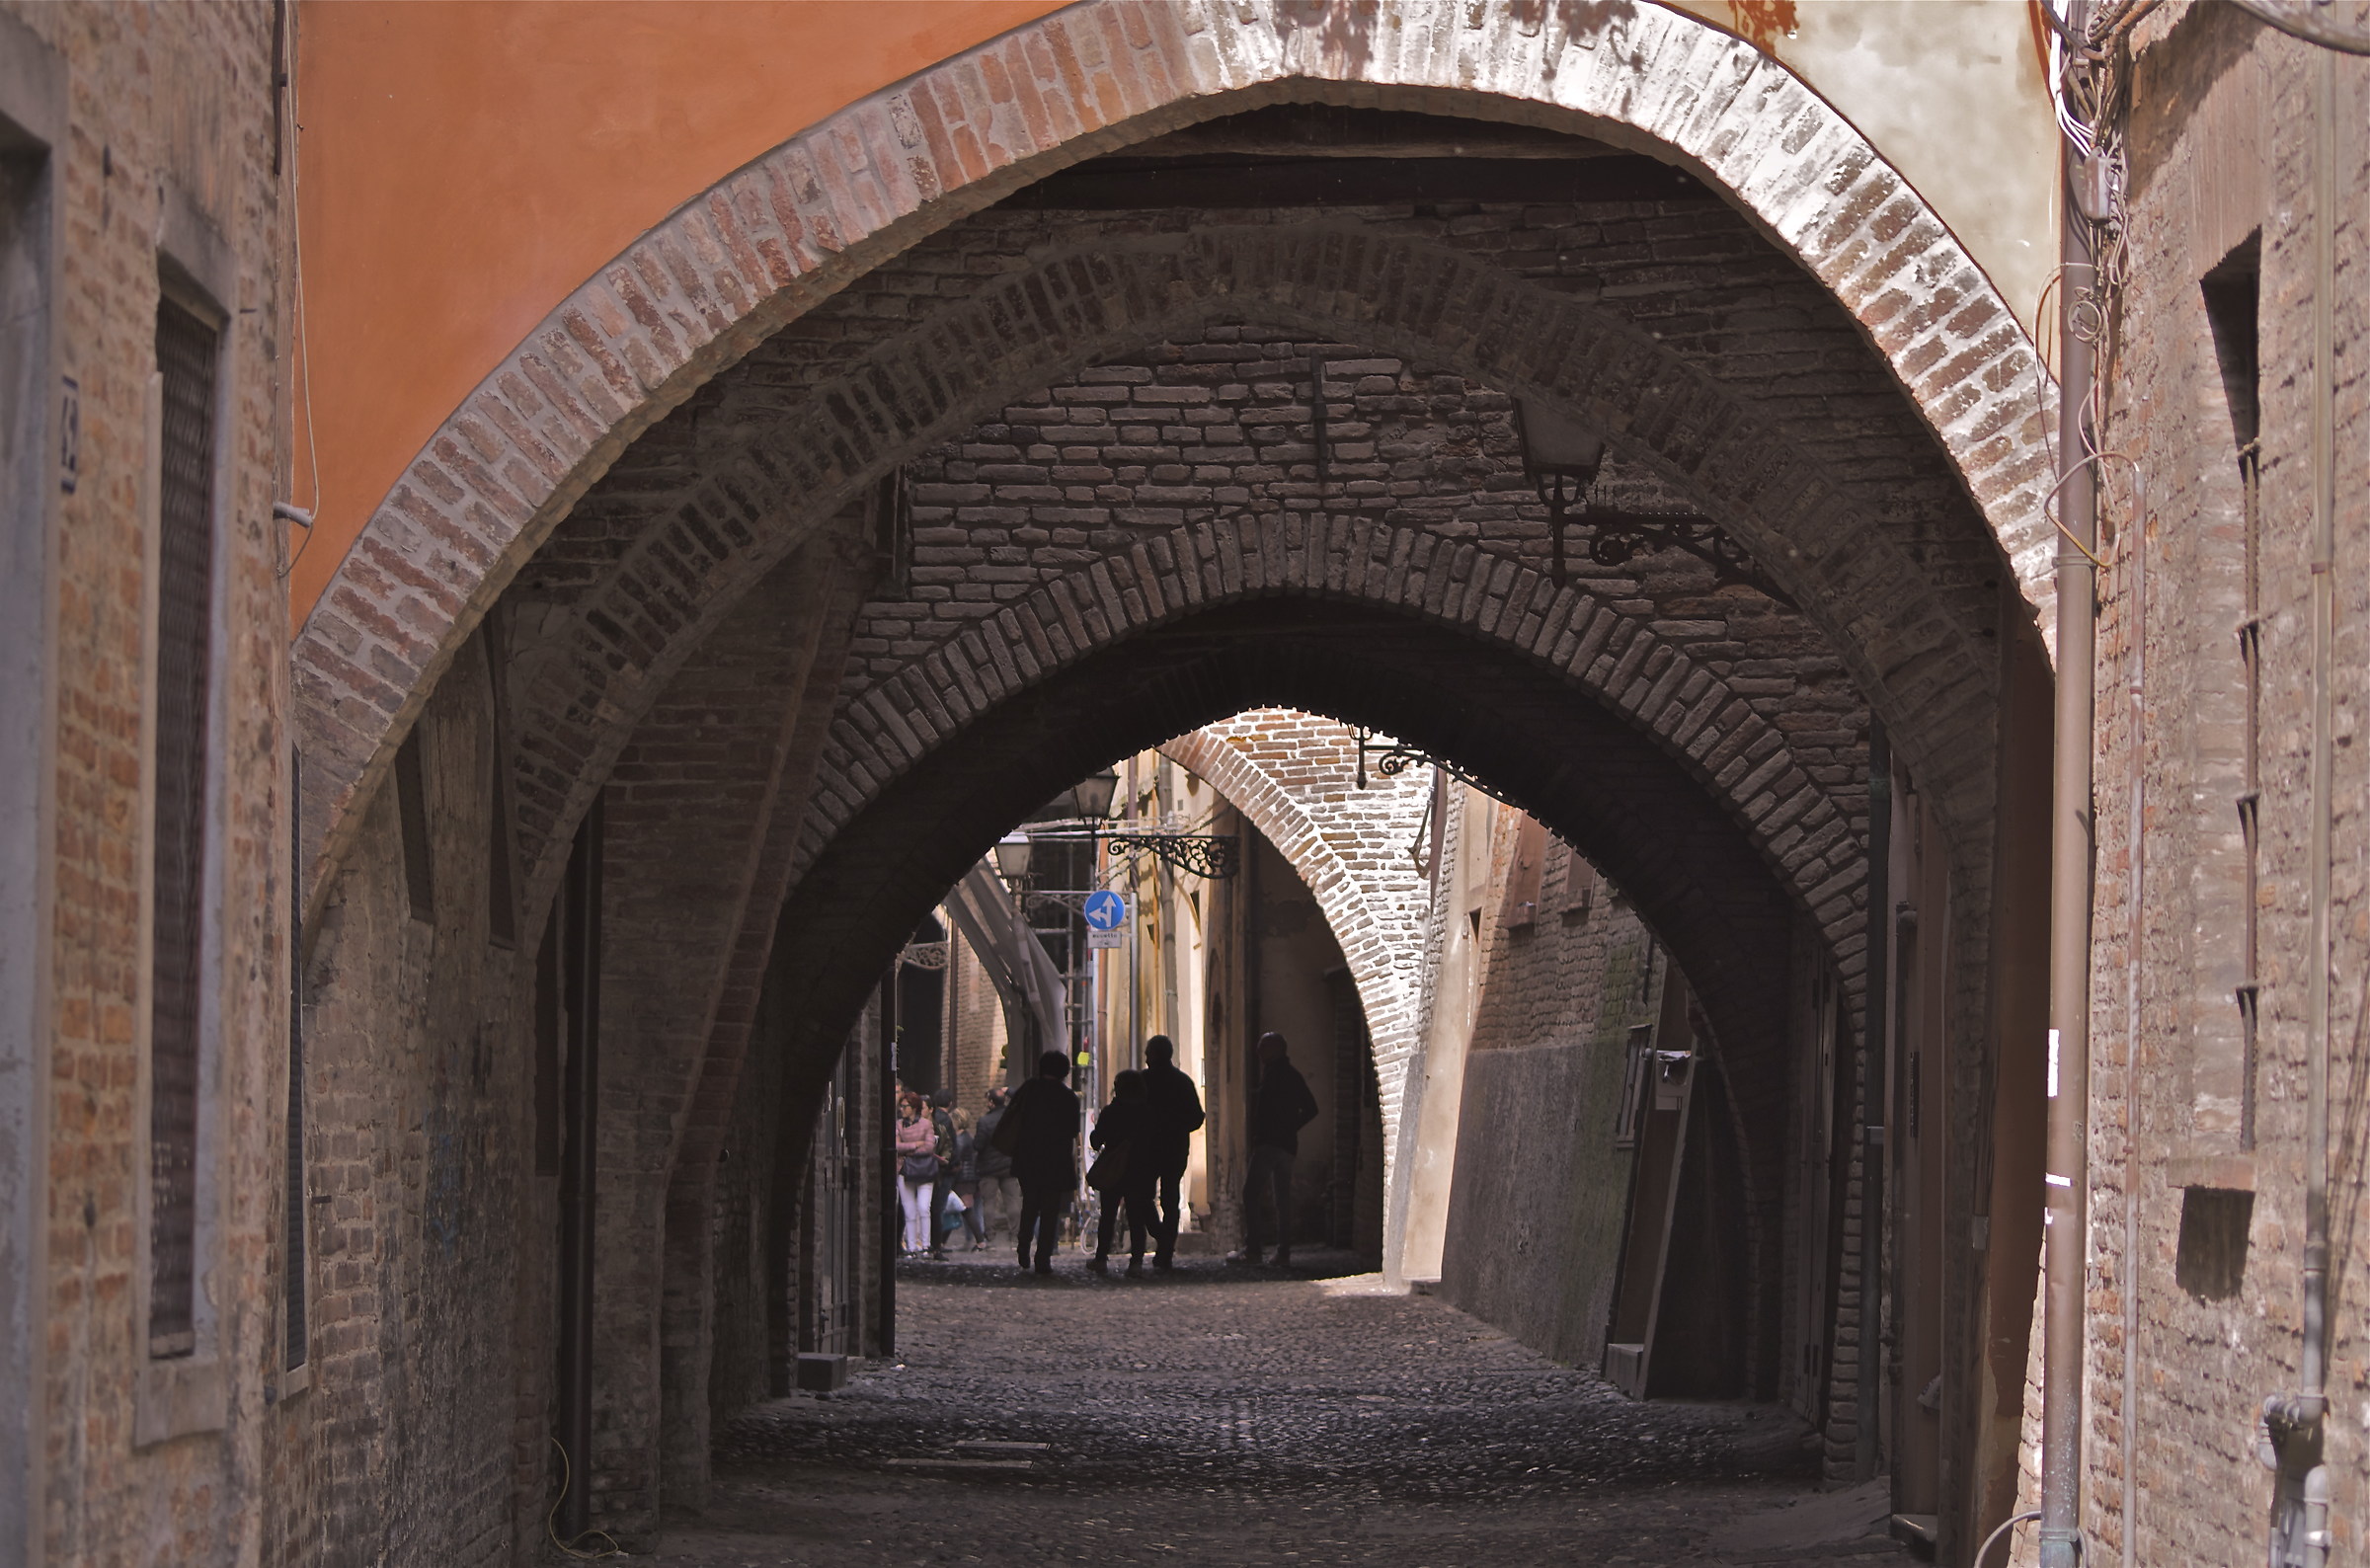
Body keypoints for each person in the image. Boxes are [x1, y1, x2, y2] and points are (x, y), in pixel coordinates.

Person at [997, 1051, 1081, 1275]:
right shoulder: (1068, 1097)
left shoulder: (1029, 1090)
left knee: (1030, 1203)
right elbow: (1073, 1130)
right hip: (1056, 1160)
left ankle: (1024, 1244)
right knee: (1050, 1210)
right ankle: (1043, 1257)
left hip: (1029, 1157)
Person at [1244, 1031, 1318, 1268]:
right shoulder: (1291, 1075)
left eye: (1263, 1047)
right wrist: (1291, 1128)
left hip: (1269, 1144)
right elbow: (1311, 1108)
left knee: (1250, 1193)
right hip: (1287, 1145)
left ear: (1275, 1050)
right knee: (1282, 1199)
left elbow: (1305, 1109)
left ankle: (1254, 1250)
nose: (1258, 1052)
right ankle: (1282, 1251)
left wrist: (1281, 1128)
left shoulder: (1274, 1075)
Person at [1141, 1035, 1206, 1271]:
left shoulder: (1142, 1081)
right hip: (1175, 1148)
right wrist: (1177, 1127)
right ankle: (1166, 1247)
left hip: (1147, 1148)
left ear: (1155, 1055)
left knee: (1142, 1196)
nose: (1146, 1057)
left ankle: (1162, 1238)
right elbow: (1196, 1117)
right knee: (1170, 1198)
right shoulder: (1182, 1082)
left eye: (1148, 1052)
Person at [1086, 1069, 1158, 1277]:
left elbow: (1096, 1140)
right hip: (1140, 1168)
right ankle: (1136, 1262)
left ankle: (1101, 1258)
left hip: (1115, 1169)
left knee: (1108, 1215)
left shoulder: (1111, 1112)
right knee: (1136, 1217)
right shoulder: (1148, 1112)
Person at [937, 1091, 987, 1251]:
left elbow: (956, 1157)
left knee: (964, 1209)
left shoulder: (960, 1139)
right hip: (966, 1178)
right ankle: (941, 1242)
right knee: (955, 1208)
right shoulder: (965, 1137)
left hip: (963, 1179)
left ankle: (980, 1241)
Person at [894, 1090, 938, 1255]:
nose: (902, 1109)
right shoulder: (898, 1124)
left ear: (914, 1107)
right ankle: (911, 1247)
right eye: (901, 1106)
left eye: (905, 1106)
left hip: (924, 1169)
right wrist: (915, 1145)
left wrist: (907, 1150)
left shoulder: (926, 1124)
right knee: (909, 1211)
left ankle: (925, 1244)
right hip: (904, 1170)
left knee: (924, 1207)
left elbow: (929, 1147)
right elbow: (896, 1146)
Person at [973, 1085, 1017, 1241]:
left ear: (991, 1102)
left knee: (989, 1202)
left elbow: (978, 1145)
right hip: (1010, 1166)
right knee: (1013, 1201)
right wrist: (1008, 1090)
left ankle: (990, 1235)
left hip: (988, 1168)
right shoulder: (1013, 1117)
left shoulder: (984, 1121)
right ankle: (1016, 1234)